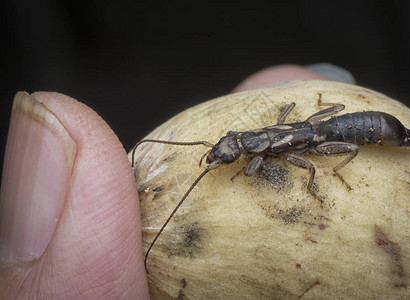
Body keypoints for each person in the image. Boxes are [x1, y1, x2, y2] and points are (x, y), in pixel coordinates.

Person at [0, 64, 353, 298]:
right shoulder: (251, 144)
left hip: (331, 134)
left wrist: (234, 169)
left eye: (224, 153)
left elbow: (250, 167)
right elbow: (285, 109)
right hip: (321, 126)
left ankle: (341, 165)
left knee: (311, 165)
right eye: (225, 151)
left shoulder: (253, 155)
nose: (219, 154)